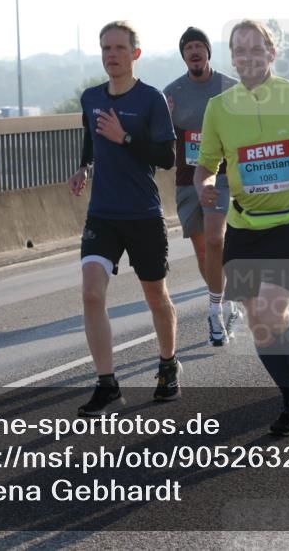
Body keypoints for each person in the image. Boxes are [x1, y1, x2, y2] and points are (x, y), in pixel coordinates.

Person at [194, 19, 289, 436]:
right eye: (239, 50)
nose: (248, 57)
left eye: (256, 49)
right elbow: (207, 164)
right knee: (259, 322)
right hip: (243, 222)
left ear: (271, 54)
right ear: (233, 58)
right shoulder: (219, 108)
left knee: (271, 309)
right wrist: (204, 184)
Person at [68, 21, 179, 416]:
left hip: (143, 214)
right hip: (103, 214)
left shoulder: (150, 100)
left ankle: (167, 364)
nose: (110, 54)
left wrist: (125, 138)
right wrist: (84, 166)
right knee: (91, 292)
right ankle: (107, 384)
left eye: (118, 47)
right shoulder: (91, 97)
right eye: (105, 48)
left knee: (155, 295)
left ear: (135, 54)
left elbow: (167, 158)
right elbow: (91, 135)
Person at [163, 27, 241, 347]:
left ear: (208, 52)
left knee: (215, 239)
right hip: (186, 179)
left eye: (199, 46)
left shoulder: (229, 88)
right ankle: (225, 299)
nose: (194, 52)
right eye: (188, 47)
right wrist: (163, 121)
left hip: (220, 175)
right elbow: (160, 142)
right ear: (183, 55)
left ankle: (214, 312)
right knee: (203, 250)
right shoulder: (172, 92)